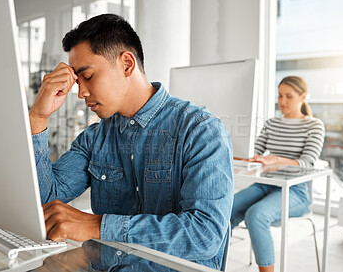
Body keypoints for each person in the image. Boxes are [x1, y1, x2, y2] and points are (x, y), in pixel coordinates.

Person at [29, 14, 233, 270]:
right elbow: (45, 199)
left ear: (127, 64)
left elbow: (205, 235)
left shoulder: (200, 129)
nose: (80, 93)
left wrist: (96, 226)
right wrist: (38, 117)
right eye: (77, 82)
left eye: (88, 76)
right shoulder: (94, 138)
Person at [230, 76, 325, 272]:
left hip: (296, 192)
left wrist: (276, 159)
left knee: (255, 215)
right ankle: (211, 262)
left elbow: (307, 163)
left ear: (303, 97)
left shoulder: (314, 126)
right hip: (264, 185)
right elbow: (254, 153)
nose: (282, 101)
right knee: (226, 209)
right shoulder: (272, 123)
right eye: (280, 95)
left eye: (289, 96)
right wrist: (240, 155)